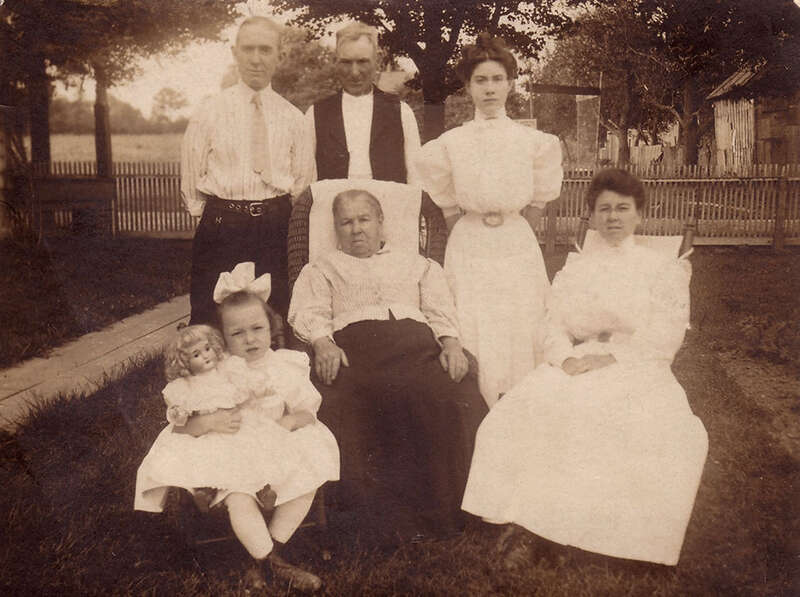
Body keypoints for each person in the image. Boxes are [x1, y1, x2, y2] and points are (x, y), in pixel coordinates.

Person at [461, 169, 709, 567]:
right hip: (578, 361)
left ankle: (578, 536)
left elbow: (665, 334)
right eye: (604, 209)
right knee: (525, 410)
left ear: (638, 215)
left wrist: (613, 359)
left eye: (623, 209)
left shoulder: (662, 268)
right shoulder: (576, 267)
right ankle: (532, 525)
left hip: (638, 363)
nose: (613, 217)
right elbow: (553, 323)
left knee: (607, 419)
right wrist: (565, 358)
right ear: (591, 216)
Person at [287, 189, 488, 542]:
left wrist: (451, 344)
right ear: (335, 229)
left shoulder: (418, 264)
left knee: (455, 392)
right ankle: (370, 521)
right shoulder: (321, 268)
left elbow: (440, 309)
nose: (356, 230)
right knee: (341, 400)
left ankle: (457, 509)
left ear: (382, 223)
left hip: (417, 347)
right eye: (346, 222)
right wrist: (322, 342)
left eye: (364, 219)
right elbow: (310, 312)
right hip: (355, 350)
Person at [136, 264, 339, 592]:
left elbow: (308, 413)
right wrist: (208, 421)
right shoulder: (212, 375)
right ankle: (275, 563)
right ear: (221, 338)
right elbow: (181, 426)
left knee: (309, 476)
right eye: (237, 333)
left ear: (271, 327)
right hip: (233, 454)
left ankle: (263, 558)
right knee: (239, 496)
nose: (249, 339)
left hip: (278, 447)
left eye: (257, 328)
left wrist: (288, 421)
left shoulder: (285, 365)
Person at [415, 33, 563, 407]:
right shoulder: (453, 143)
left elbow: (539, 200)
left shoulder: (531, 141)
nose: (490, 89)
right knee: (472, 321)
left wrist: (515, 228)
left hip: (516, 240)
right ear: (467, 87)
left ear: (511, 83)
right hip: (469, 242)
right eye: (480, 80)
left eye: (498, 79)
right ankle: (474, 409)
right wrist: (464, 230)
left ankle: (523, 410)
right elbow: (447, 203)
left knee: (520, 321)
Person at [181, 16, 314, 326]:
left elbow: (303, 184)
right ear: (234, 53)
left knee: (274, 316)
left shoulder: (294, 119)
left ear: (280, 57)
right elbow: (192, 182)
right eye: (248, 49)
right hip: (222, 225)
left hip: (275, 227)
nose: (256, 59)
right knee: (211, 317)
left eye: (266, 50)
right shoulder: (209, 112)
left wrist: (278, 219)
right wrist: (217, 220)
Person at [306, 21, 421, 184]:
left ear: (377, 60)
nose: (354, 72)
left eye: (362, 62)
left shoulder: (401, 112)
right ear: (336, 62)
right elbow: (307, 179)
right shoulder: (316, 114)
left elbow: (416, 177)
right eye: (346, 62)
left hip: (389, 205)